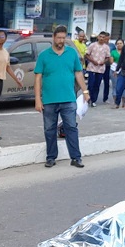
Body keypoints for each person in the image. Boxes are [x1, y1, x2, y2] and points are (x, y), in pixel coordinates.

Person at [34, 25, 88, 169]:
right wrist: (38, 99)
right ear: (53, 38)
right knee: (49, 129)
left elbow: (78, 73)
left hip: (68, 99)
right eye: (59, 38)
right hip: (49, 100)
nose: (61, 40)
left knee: (71, 128)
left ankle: (76, 158)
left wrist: (85, 91)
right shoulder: (44, 55)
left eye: (64, 38)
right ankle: (51, 157)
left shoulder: (71, 54)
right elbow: (38, 78)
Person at [84, 31, 110, 107]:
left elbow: (108, 57)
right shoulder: (92, 45)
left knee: (97, 85)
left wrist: (104, 62)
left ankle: (93, 100)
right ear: (98, 37)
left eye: (103, 37)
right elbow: (87, 55)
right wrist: (93, 61)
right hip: (92, 67)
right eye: (100, 37)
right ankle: (88, 98)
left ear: (105, 39)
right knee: (91, 84)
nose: (101, 38)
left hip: (100, 69)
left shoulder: (106, 47)